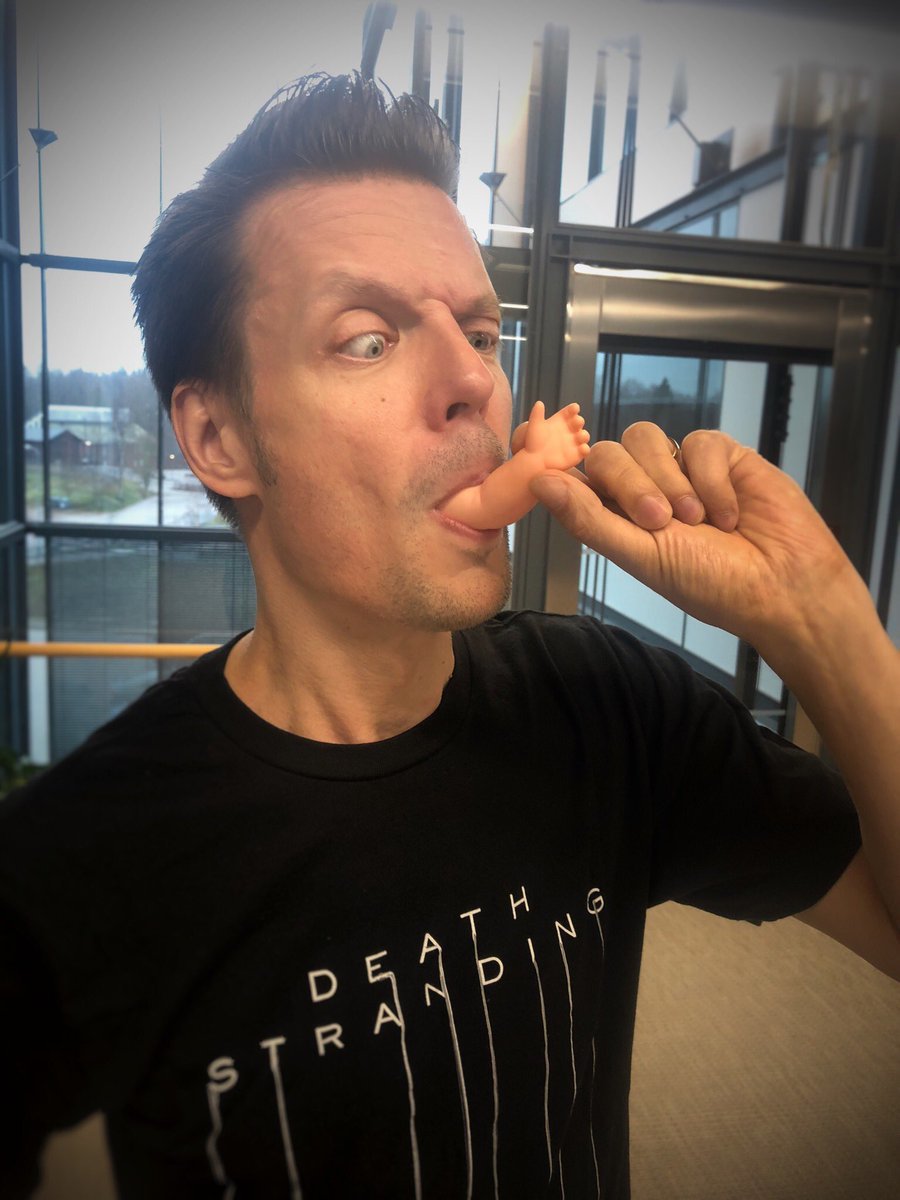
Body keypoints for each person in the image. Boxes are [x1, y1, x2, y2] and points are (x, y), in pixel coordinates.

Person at [1, 72, 897, 1200]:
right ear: (218, 436)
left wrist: (819, 614)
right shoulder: (74, 861)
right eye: (368, 340)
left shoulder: (611, 708)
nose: (476, 379)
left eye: (479, 330)